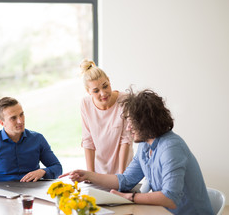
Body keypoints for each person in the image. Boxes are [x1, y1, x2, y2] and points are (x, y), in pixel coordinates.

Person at [60, 88, 213, 215]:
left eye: (131, 122)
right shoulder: (145, 146)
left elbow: (170, 198)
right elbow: (125, 180)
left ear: (146, 123)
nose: (127, 128)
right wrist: (88, 175)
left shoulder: (171, 149)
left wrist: (131, 197)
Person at [0, 97, 62, 184]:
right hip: (2, 195)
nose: (20, 121)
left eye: (21, 115)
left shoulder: (38, 139)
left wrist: (43, 172)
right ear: (2, 123)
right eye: (13, 118)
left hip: (32, 194)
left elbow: (57, 167)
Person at [79, 59, 133, 174]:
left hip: (124, 169)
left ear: (109, 81)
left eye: (105, 86)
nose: (103, 93)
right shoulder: (85, 104)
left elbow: (126, 139)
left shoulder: (125, 100)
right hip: (99, 170)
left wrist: (122, 176)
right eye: (96, 91)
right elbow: (88, 140)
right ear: (88, 91)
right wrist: (91, 175)